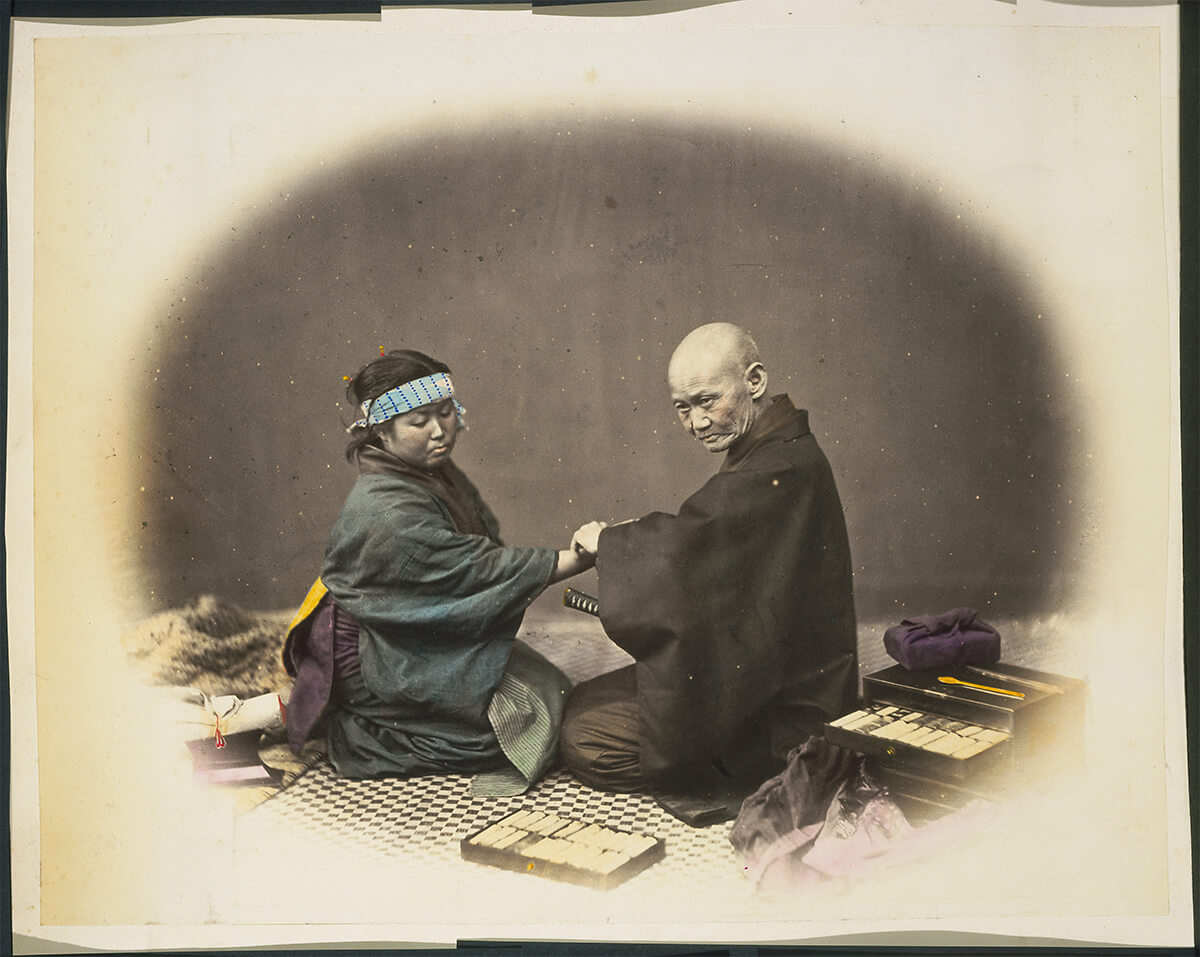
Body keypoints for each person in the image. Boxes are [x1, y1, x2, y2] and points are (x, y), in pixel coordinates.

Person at [561, 323, 858, 824]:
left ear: (756, 381)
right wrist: (642, 540)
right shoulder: (776, 449)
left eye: (706, 401)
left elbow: (696, 549)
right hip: (761, 671)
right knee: (588, 698)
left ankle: (747, 772)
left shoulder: (781, 463)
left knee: (584, 737)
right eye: (682, 407)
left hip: (785, 709)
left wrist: (608, 544)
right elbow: (715, 550)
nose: (696, 422)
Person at [283, 348, 603, 795]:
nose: (440, 431)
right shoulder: (383, 508)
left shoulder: (425, 470)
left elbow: (476, 549)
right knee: (525, 726)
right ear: (382, 431)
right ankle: (359, 726)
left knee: (552, 689)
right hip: (373, 653)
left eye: (446, 412)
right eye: (419, 422)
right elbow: (471, 567)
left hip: (406, 628)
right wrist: (576, 558)